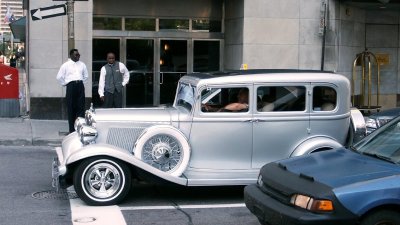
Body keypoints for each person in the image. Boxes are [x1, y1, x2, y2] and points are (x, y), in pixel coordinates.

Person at [56, 49, 88, 133]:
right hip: (71, 86)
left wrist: (80, 83)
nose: (78, 56)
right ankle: (71, 130)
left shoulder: (82, 65)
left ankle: (80, 129)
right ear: (71, 55)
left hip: (80, 86)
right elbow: (59, 77)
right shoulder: (65, 65)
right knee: (71, 108)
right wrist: (66, 84)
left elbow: (86, 76)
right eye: (76, 55)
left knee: (81, 107)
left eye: (78, 54)